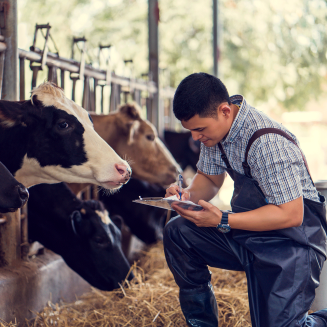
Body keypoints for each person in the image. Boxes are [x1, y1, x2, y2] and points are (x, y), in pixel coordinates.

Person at [163, 72, 327, 327]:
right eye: (191, 130)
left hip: (292, 243)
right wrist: (186, 195)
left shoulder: (267, 142)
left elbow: (291, 214)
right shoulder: (214, 134)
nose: (195, 138)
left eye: (199, 129)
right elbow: (210, 179)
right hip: (250, 234)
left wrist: (223, 218)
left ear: (225, 111)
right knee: (178, 232)